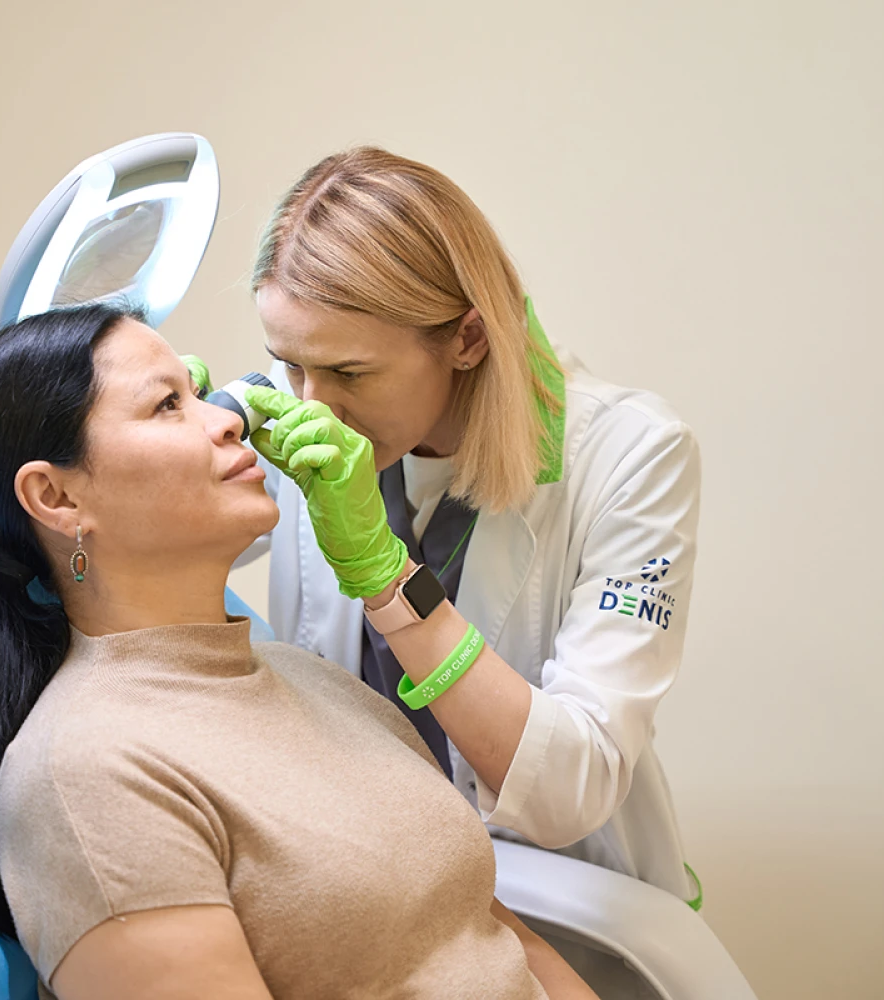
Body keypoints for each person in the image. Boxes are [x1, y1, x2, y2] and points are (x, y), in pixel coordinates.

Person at [0, 303, 596, 1000]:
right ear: (56, 497)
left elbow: (489, 932)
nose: (229, 419)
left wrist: (386, 572)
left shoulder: (309, 678)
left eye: (197, 391)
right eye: (167, 404)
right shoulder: (90, 778)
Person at [188, 147, 703, 916]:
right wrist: (149, 432)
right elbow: (133, 554)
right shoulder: (299, 414)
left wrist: (387, 580)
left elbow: (573, 786)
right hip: (368, 886)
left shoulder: (634, 455)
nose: (314, 406)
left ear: (466, 338)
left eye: (350, 373)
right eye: (289, 364)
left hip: (563, 900)